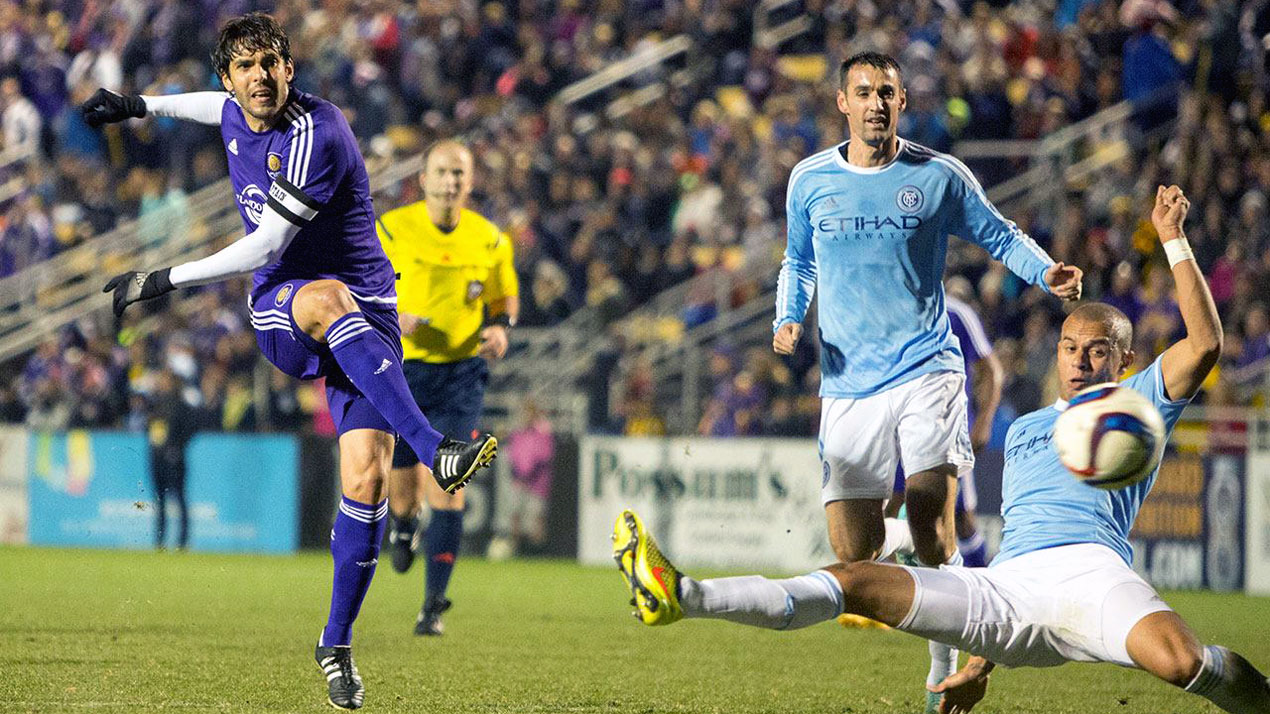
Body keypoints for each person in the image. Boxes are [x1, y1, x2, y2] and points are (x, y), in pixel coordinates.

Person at [615, 187, 1270, 714]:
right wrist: (983, 663)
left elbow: (1205, 344)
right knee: (853, 578)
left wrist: (1173, 239)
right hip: (1012, 587)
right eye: (1070, 346)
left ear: (1123, 358)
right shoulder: (1026, 429)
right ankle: (683, 593)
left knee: (1183, 662)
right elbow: (1016, 552)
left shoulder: (1135, 401)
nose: (1080, 359)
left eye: (1098, 349)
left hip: (1094, 575)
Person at [81, 13, 497, 710]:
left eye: (271, 62)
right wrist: (137, 106)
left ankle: (335, 645)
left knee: (364, 478)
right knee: (331, 296)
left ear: (290, 69)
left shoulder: (319, 132)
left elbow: (263, 234)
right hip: (287, 309)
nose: (260, 77)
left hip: (368, 321)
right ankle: (435, 451)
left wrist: (161, 278)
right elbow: (258, 243)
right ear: (230, 78)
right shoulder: (234, 110)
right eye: (245, 67)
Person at [770, 50, 1081, 704]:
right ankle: (932, 610)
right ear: (843, 103)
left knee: (930, 527)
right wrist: (789, 317)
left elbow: (998, 233)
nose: (876, 103)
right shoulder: (809, 179)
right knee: (854, 555)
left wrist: (1044, 270)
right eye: (864, 92)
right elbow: (798, 261)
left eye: (887, 91)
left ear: (902, 101)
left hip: (925, 371)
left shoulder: (939, 176)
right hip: (847, 383)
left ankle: (944, 663)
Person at [375, 139, 519, 636]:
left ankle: (433, 605)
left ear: (471, 181)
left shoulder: (491, 238)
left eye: (460, 173)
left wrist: (501, 328)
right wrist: (394, 313)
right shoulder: (393, 228)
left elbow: (504, 300)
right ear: (423, 178)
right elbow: (364, 287)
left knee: (448, 485)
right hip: (404, 369)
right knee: (402, 484)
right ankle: (402, 524)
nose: (451, 181)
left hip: (461, 373)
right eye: (442, 171)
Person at [885, 286, 1004, 568]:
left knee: (962, 517)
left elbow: (992, 369)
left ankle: (981, 583)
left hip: (948, 429)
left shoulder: (956, 313)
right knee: (893, 505)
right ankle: (886, 595)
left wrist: (985, 421)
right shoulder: (893, 313)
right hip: (901, 426)